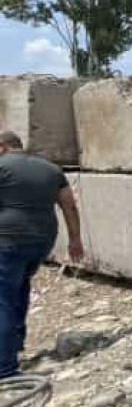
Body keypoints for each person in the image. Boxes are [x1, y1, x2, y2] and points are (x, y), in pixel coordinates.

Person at [0, 131, 83, 378]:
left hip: (7, 240)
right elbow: (69, 205)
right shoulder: (51, 169)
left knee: (3, 299)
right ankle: (14, 345)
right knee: (19, 288)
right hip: (41, 241)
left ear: (2, 147)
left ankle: (5, 367)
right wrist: (75, 240)